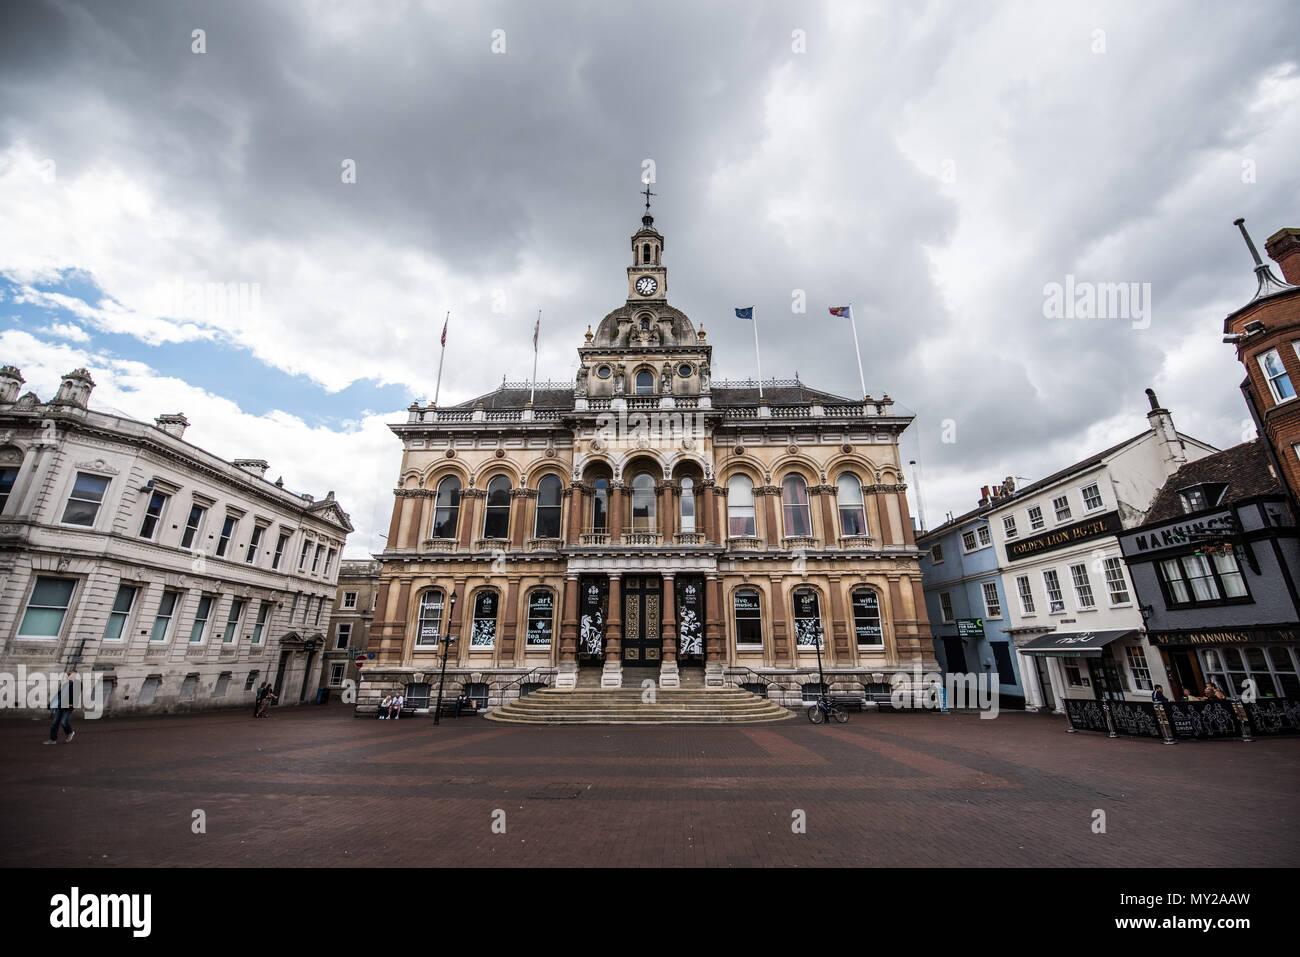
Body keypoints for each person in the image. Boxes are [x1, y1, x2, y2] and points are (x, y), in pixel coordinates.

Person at [45, 666, 77, 745]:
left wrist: (71, 704)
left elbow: (76, 695)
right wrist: (51, 704)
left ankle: (70, 732)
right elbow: (59, 695)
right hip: (60, 706)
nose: (69, 676)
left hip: (68, 706)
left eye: (71, 674)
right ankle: (53, 740)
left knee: (63, 722)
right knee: (54, 723)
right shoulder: (66, 684)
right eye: (69, 674)